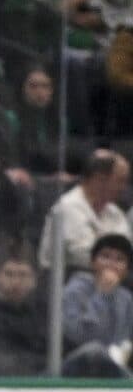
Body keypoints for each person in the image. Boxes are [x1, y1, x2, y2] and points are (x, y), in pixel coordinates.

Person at [44, 149, 128, 275]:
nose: (124, 188)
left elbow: (127, 250)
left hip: (112, 279)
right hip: (69, 280)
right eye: (120, 180)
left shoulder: (115, 213)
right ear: (100, 179)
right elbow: (83, 256)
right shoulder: (67, 207)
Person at [62, 230, 133, 375]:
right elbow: (78, 336)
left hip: (113, 365)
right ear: (92, 262)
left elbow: (124, 342)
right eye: (105, 257)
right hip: (75, 363)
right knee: (94, 350)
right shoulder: (74, 290)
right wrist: (102, 295)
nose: (111, 264)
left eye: (119, 259)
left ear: (126, 270)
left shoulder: (126, 299)